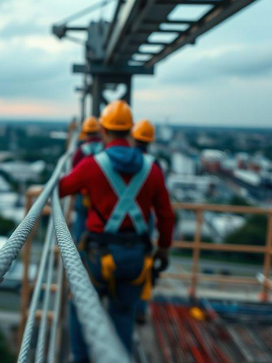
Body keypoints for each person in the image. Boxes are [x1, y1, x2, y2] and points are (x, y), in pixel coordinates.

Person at [60, 101, 174, 360]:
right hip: (136, 258)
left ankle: (81, 358)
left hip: (98, 256)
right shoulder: (152, 169)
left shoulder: (91, 165)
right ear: (130, 130)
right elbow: (166, 215)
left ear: (103, 130)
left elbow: (61, 188)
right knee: (123, 314)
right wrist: (164, 248)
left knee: (81, 306)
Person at [131, 119, 157, 325]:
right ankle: (140, 309)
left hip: (121, 221)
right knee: (143, 266)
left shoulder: (128, 161)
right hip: (145, 222)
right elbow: (162, 205)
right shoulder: (154, 165)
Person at [71, 116, 104, 243]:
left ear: (85, 133)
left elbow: (74, 175)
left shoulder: (81, 151)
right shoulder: (105, 149)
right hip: (100, 196)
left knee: (81, 223)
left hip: (83, 195)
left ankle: (79, 254)